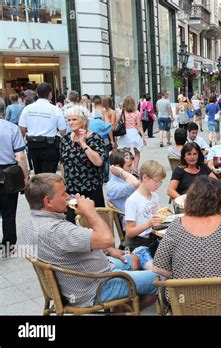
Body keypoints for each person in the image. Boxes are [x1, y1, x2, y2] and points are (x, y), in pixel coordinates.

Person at [19, 173, 156, 308]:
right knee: (161, 278)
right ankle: (125, 308)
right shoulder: (57, 230)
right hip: (95, 286)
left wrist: (107, 250)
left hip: (85, 276)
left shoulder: (29, 223)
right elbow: (107, 239)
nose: (68, 197)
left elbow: (76, 243)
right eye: (63, 194)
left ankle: (127, 298)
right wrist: (89, 211)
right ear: (48, 202)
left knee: (134, 259)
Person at [153, 176, 221, 280]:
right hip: (216, 293)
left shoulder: (177, 224)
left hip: (181, 294)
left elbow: (157, 267)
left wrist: (179, 276)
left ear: (190, 198)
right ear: (219, 199)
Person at [60, 106, 106, 222]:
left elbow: (98, 161)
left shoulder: (95, 138)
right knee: (69, 222)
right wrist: (63, 183)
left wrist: (83, 143)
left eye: (74, 119)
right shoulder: (65, 140)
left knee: (96, 223)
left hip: (91, 189)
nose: (71, 122)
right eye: (69, 120)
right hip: (71, 190)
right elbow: (63, 163)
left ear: (84, 121)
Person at [124, 161, 166, 270]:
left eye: (160, 183)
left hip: (154, 239)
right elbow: (129, 232)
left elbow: (156, 217)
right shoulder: (133, 201)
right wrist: (148, 224)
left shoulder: (154, 196)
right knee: (156, 271)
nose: (158, 185)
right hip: (138, 244)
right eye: (156, 181)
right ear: (145, 177)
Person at [0, 97, 29, 254]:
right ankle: (8, 244)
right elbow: (20, 156)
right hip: (7, 173)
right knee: (9, 211)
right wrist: (25, 176)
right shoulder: (11, 128)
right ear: (4, 110)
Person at [18, 82, 67, 174]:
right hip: (49, 146)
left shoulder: (27, 109)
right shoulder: (55, 110)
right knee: (49, 175)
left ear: (37, 94)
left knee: (38, 173)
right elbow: (63, 131)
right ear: (50, 94)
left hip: (33, 145)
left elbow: (22, 130)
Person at [117, 96, 146, 174]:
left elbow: (117, 122)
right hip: (134, 132)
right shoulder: (137, 112)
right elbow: (139, 125)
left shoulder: (121, 112)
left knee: (126, 153)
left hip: (125, 134)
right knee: (137, 152)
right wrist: (143, 136)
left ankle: (128, 168)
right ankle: (135, 169)